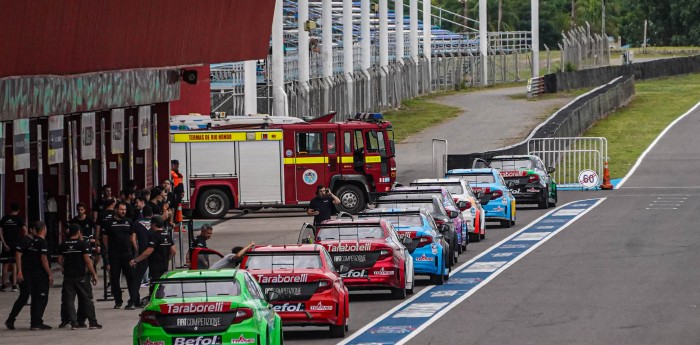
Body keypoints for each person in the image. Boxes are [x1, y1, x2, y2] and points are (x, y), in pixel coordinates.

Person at [57, 224, 102, 330]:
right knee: (87, 299)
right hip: (81, 276)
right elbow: (87, 260)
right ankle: (93, 323)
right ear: (78, 232)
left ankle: (74, 323)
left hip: (68, 276)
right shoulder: (83, 244)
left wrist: (65, 266)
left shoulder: (63, 244)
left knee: (69, 300)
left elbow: (59, 260)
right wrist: (94, 274)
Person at [103, 202, 138, 310]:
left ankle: (133, 300)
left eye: (124, 209)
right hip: (114, 255)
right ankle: (118, 301)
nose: (123, 211)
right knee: (114, 278)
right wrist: (109, 251)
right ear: (116, 210)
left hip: (127, 255)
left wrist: (135, 251)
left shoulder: (129, 221)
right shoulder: (109, 222)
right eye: (121, 209)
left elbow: (132, 237)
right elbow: (105, 239)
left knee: (131, 278)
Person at [129, 215, 175, 296]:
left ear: (154, 224)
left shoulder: (155, 235)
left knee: (155, 286)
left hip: (155, 266)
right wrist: (166, 259)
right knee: (161, 286)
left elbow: (149, 251)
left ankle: (154, 303)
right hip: (164, 265)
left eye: (151, 224)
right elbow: (174, 251)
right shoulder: (167, 235)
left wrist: (136, 260)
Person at [4, 224, 35, 330]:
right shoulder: (24, 240)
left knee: (33, 296)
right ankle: (10, 319)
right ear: (31, 230)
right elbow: (18, 255)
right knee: (24, 296)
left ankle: (35, 321)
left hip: (33, 273)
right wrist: (19, 272)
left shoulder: (37, 240)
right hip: (24, 273)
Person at [27, 222, 52, 330]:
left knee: (35, 298)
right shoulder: (43, 242)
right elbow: (43, 259)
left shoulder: (32, 241)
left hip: (32, 274)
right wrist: (49, 273)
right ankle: (37, 322)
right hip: (41, 275)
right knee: (41, 298)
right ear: (43, 229)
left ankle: (34, 321)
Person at [0, 203, 27, 292]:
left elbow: (0, 232)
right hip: (16, 244)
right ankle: (14, 285)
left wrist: (4, 244)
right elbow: (25, 230)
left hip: (6, 244)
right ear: (18, 210)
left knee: (5, 264)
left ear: (10, 209)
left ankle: (3, 285)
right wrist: (23, 242)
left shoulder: (4, 218)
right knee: (14, 264)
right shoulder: (19, 219)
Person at [130, 206, 153, 305]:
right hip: (154, 254)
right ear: (152, 214)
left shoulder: (137, 223)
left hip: (143, 253)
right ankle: (152, 299)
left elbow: (132, 239)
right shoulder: (155, 222)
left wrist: (137, 249)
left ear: (142, 213)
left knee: (137, 279)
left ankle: (134, 300)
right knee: (155, 278)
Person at [94, 197, 116, 270]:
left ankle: (110, 278)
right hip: (115, 238)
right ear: (113, 203)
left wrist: (96, 239)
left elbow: (97, 228)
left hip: (103, 239)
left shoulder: (101, 214)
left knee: (106, 259)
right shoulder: (116, 214)